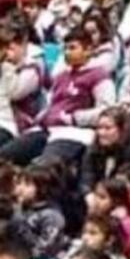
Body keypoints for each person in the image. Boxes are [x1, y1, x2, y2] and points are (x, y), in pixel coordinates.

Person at [0, 28, 115, 166]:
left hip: (74, 131)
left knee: (43, 167)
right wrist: (42, 118)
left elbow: (106, 111)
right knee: (4, 157)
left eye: (72, 48)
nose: (67, 52)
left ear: (88, 50)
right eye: (65, 48)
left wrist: (74, 118)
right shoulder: (61, 76)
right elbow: (50, 105)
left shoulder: (99, 76)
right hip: (46, 129)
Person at [79, 107, 130, 196]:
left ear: (121, 130)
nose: (101, 133)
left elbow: (128, 183)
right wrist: (88, 194)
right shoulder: (93, 150)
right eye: (99, 128)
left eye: (108, 128)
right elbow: (86, 178)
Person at [10, 165, 66, 259]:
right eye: (19, 183)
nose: (20, 188)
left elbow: (43, 251)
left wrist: (20, 224)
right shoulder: (21, 208)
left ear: (42, 188)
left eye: (27, 184)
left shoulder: (52, 216)